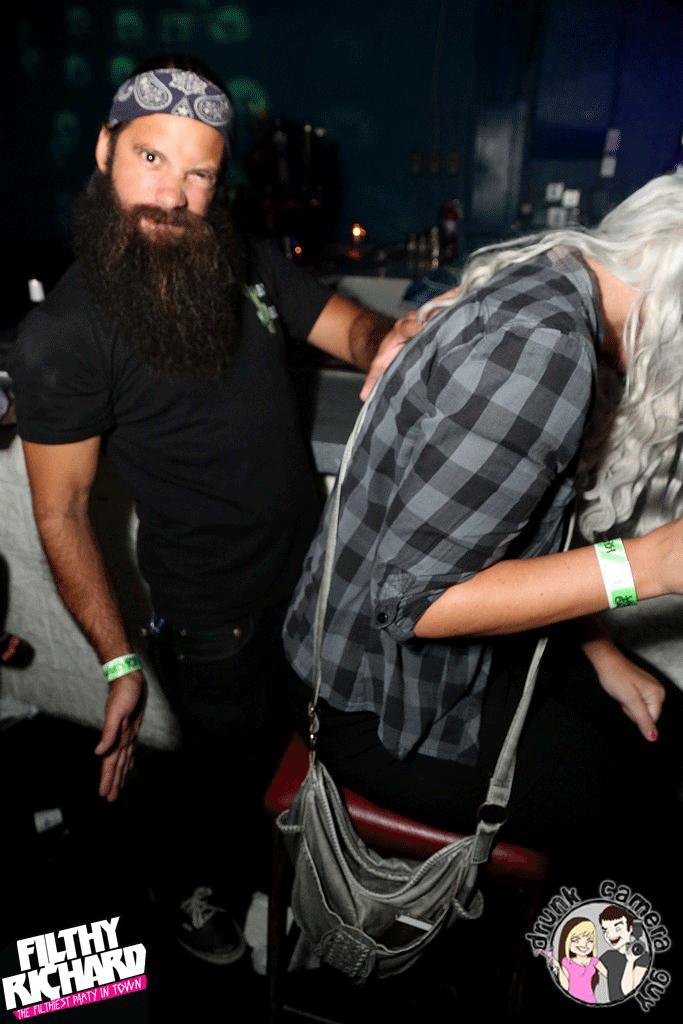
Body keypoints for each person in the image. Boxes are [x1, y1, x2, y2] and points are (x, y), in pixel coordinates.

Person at [9, 55, 412, 965]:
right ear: (105, 149)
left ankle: (282, 879)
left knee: (290, 760)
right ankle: (188, 890)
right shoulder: (63, 335)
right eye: (151, 158)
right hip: (212, 621)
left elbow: (347, 328)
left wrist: (395, 337)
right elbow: (61, 513)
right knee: (216, 783)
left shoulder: (242, 256)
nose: (172, 195)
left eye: (197, 173)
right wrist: (118, 663)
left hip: (312, 582)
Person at [284, 176, 683, 972]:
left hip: (385, 665)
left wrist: (600, 652)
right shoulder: (543, 351)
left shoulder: (553, 277)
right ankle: (588, 988)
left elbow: (509, 536)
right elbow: (418, 602)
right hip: (372, 706)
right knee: (633, 812)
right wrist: (652, 564)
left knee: (660, 731)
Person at [599, 906, 650, 1002]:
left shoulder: (643, 957)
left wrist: (630, 961)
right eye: (605, 930)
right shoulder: (608, 956)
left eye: (617, 929)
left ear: (630, 929)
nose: (610, 935)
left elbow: (628, 992)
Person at [551, 917, 606, 1004]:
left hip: (590, 1001)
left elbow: (610, 976)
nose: (584, 944)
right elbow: (565, 987)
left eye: (590, 940)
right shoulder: (567, 962)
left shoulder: (594, 961)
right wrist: (558, 967)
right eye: (576, 940)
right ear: (567, 942)